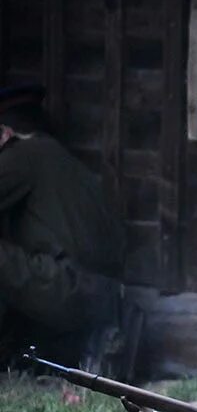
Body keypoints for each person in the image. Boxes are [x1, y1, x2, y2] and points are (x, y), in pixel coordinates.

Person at [0, 83, 125, 366]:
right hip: (99, 296)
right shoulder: (57, 157)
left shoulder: (22, 156)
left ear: (5, 133)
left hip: (69, 290)